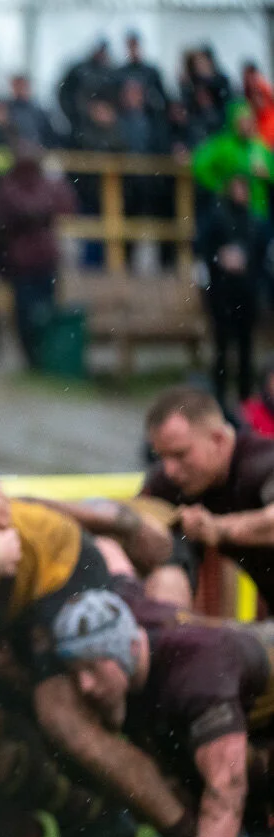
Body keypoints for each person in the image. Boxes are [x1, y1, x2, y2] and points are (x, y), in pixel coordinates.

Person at [54, 585, 272, 837]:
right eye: (75, 672)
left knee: (229, 758)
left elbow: (228, 783)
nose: (85, 685)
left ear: (128, 647)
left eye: (92, 666)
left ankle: (253, 831)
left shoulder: (197, 671)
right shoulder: (134, 631)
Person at [141, 386, 274, 606]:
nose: (169, 470)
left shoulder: (264, 461)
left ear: (219, 439)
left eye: (180, 454)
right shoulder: (172, 481)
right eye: (161, 456)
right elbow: (133, 518)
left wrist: (217, 528)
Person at [0, 141, 76, 369]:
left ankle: (42, 359)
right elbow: (25, 210)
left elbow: (67, 204)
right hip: (23, 260)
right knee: (27, 315)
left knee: (45, 313)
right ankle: (33, 360)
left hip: (42, 259)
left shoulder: (28, 183)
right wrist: (47, 202)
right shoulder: (11, 185)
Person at [198, 175, 261, 405]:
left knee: (246, 347)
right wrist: (221, 258)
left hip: (246, 293)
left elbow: (260, 255)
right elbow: (203, 248)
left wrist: (245, 260)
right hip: (223, 292)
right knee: (222, 346)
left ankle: (244, 397)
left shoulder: (254, 221)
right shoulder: (217, 219)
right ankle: (220, 396)